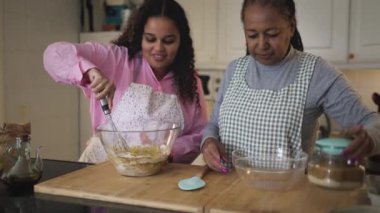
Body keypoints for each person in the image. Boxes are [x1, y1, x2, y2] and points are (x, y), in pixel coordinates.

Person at [201, 0, 380, 172]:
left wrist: (369, 139)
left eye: (272, 34)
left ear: (292, 27)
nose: (262, 44)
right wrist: (208, 142)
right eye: (252, 35)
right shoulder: (235, 69)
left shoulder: (316, 72)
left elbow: (373, 122)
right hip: (229, 193)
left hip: (286, 195)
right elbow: (214, 125)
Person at [43, 0, 208, 164]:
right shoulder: (116, 59)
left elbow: (199, 134)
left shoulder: (190, 81)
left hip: (160, 175)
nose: (158, 48)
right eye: (150, 39)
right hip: (103, 169)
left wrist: (168, 151)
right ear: (139, 37)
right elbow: (54, 54)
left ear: (181, 42)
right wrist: (89, 71)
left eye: (168, 41)